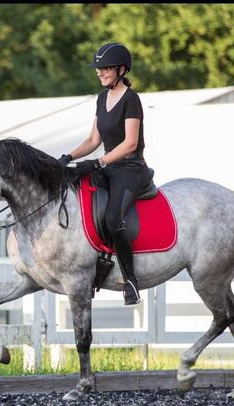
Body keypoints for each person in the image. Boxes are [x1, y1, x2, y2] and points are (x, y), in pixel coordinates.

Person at [58, 42, 151, 306]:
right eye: (99, 69)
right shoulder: (101, 98)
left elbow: (130, 143)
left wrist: (98, 163)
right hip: (109, 167)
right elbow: (93, 138)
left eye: (106, 68)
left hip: (131, 169)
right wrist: (69, 157)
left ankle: (131, 280)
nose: (100, 73)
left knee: (112, 217)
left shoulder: (131, 100)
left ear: (121, 69)